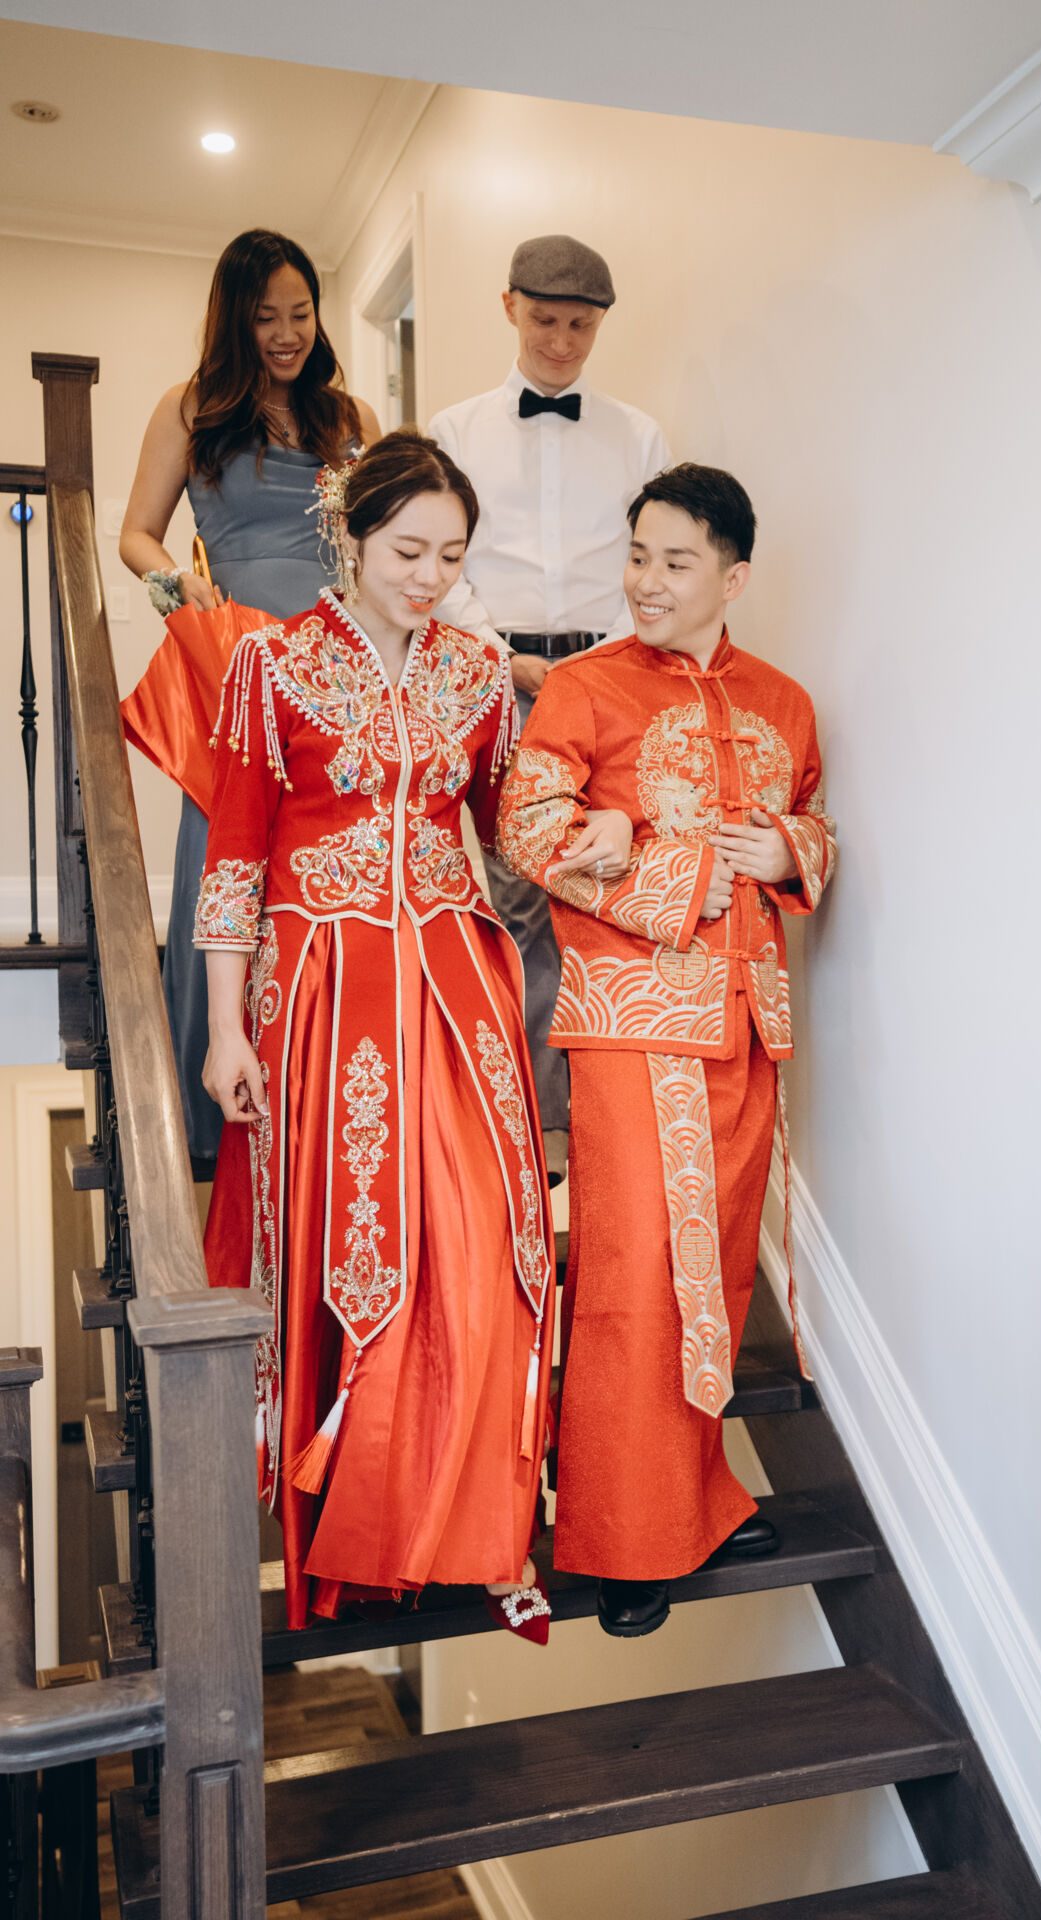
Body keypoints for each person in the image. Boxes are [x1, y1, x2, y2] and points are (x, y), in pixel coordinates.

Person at [198, 429, 555, 1637]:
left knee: (484, 1238)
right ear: (349, 537)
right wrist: (225, 1030)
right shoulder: (270, 667)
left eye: (451, 555)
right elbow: (235, 858)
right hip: (323, 989)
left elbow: (516, 832)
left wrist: (608, 832)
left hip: (458, 983)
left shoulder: (478, 673)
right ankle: (365, 1532)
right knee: (361, 1252)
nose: (429, 576)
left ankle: (483, 1527)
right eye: (408, 550)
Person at [496, 464, 836, 1636]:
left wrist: (787, 852)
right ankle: (622, 1533)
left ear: (731, 577)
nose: (645, 580)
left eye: (674, 561)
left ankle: (695, 1495)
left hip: (745, 1021)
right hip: (631, 1021)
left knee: (715, 1276)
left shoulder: (784, 701)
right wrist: (678, 871)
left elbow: (810, 819)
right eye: (636, 555)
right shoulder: (581, 688)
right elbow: (526, 829)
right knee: (635, 1275)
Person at [119, 228, 380, 1174]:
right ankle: (220, 1106)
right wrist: (180, 591)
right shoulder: (189, 408)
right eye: (266, 317)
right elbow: (137, 535)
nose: (286, 333)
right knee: (229, 855)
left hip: (344, 661)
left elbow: (385, 534)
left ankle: (332, 1074)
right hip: (243, 662)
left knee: (340, 855)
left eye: (300, 313)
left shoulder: (351, 415)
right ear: (235, 321)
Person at [428, 235, 671, 1182]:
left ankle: (611, 1112)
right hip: (496, 678)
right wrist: (503, 657)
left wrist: (601, 661)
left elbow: (652, 560)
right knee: (518, 894)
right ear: (508, 308)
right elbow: (440, 559)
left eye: (580, 325)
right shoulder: (453, 430)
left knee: (607, 888)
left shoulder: (639, 436)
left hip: (611, 678)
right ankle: (536, 1118)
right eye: (544, 320)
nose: (562, 342)